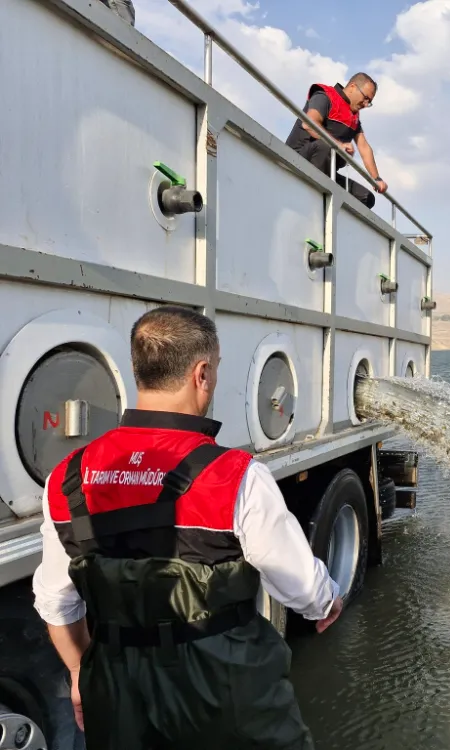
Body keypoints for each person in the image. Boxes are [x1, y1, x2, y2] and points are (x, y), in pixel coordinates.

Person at [32, 305, 343, 749]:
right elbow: (303, 588)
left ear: (140, 371)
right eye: (214, 369)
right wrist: (328, 602)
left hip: (121, 700)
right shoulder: (236, 476)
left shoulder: (65, 478)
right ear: (201, 374)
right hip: (226, 697)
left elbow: (56, 604)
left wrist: (85, 673)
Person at [285, 72, 388, 209]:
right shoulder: (325, 96)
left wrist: (376, 179)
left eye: (369, 102)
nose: (366, 104)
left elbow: (363, 147)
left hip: (327, 171)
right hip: (299, 158)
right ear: (352, 87)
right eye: (365, 98)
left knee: (366, 198)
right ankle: (312, 205)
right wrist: (339, 145)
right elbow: (309, 124)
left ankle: (331, 221)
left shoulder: (353, 117)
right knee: (325, 146)